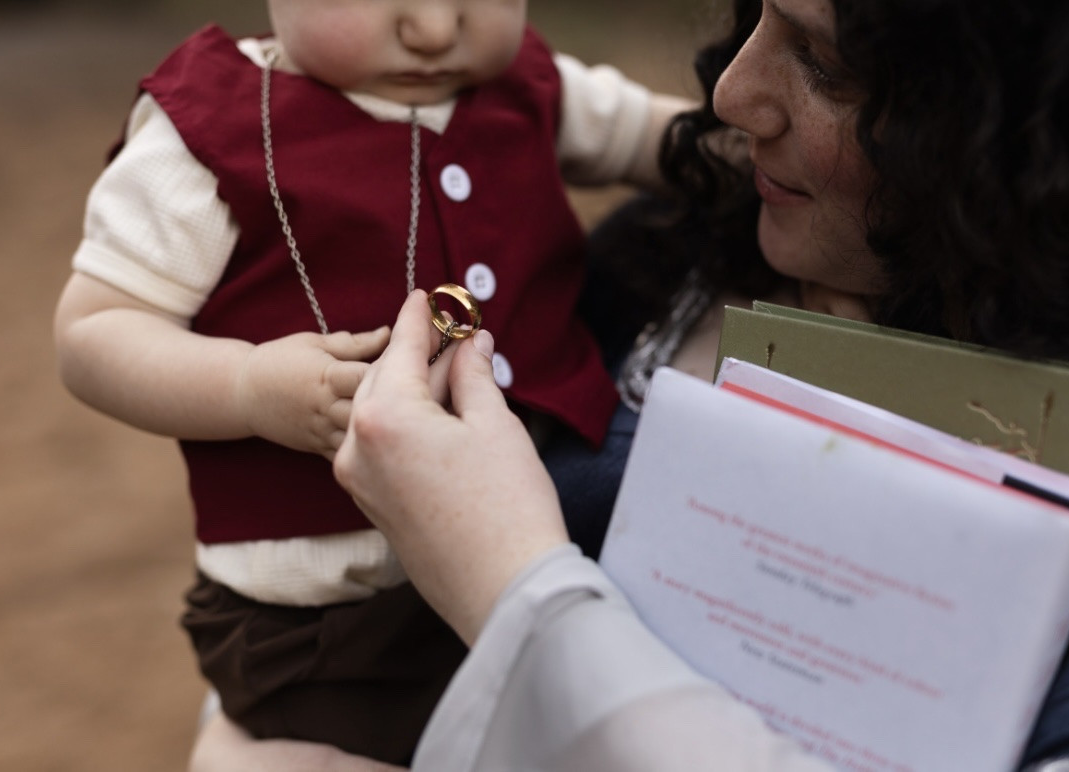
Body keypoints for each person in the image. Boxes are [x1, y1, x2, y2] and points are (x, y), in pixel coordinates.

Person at [192, 0, 1069, 767]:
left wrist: (512, 585)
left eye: (826, 63)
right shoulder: (665, 255)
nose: (731, 93)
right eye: (754, 17)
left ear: (1021, 125)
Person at [53, 0, 693, 764]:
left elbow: (671, 140)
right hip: (326, 626)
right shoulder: (210, 129)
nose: (434, 29)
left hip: (533, 567)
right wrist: (245, 384)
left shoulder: (529, 83)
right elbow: (95, 330)